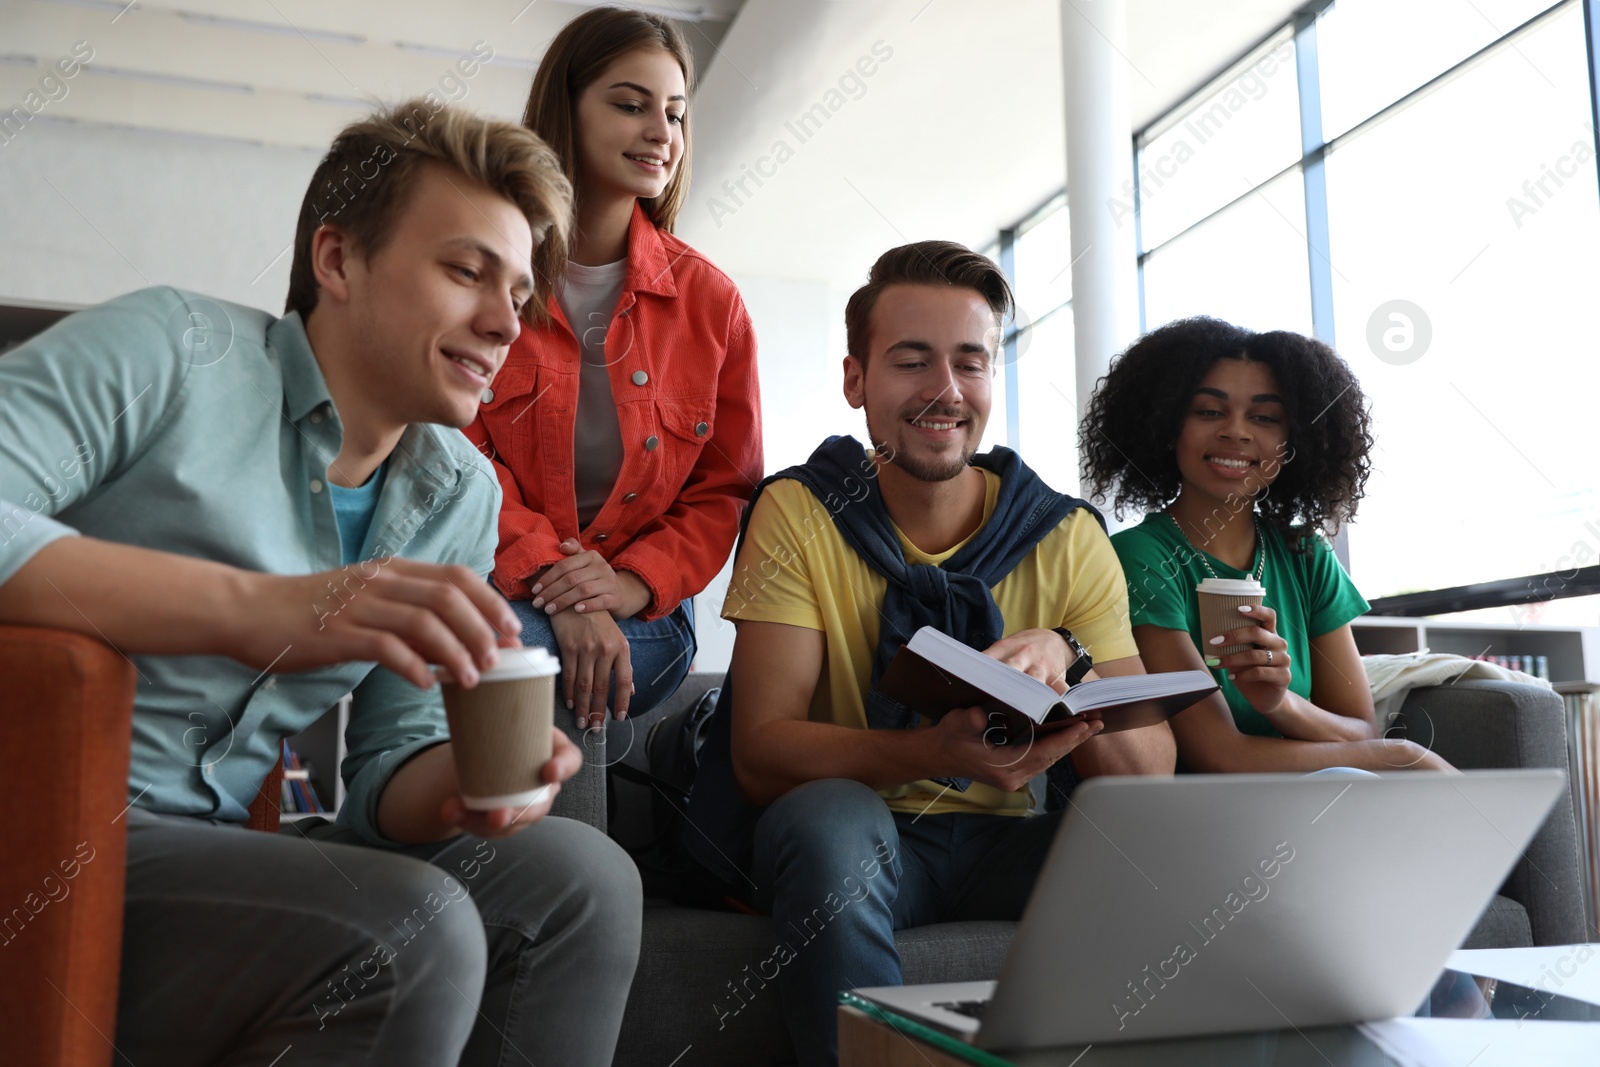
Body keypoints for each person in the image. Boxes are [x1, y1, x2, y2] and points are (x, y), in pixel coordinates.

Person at [0, 100, 642, 1066]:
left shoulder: (456, 489)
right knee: (411, 925)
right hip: (42, 838)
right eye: (467, 271)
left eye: (518, 292)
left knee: (581, 879)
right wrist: (260, 610)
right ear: (337, 261)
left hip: (210, 850)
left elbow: (388, 772)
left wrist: (471, 782)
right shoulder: (172, 349)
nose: (505, 321)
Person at [684, 241, 1176, 1066]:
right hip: (867, 837)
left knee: (1160, 838)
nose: (944, 391)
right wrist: (929, 751)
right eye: (911, 362)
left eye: (969, 363)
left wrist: (1070, 652)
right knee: (827, 814)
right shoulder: (800, 512)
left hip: (1012, 842)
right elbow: (762, 753)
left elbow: (1146, 774)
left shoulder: (1067, 535)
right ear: (856, 380)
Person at [466, 7, 762, 732]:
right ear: (564, 109)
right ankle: (549, 847)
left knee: (529, 663)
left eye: (676, 113)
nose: (661, 132)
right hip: (502, 583)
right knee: (514, 649)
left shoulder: (713, 303)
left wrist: (628, 583)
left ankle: (557, 848)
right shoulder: (482, 276)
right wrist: (554, 582)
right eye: (630, 105)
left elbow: (725, 489)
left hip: (648, 609)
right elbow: (456, 450)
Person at [1079, 316, 1452, 773]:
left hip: (1317, 797)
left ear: (1293, 440)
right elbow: (1218, 754)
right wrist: (1403, 757)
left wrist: (1280, 703)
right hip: (1210, 811)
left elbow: (1361, 729)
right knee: (1417, 771)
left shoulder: (1306, 555)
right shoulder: (1140, 559)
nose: (1236, 431)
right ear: (1168, 426)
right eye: (1209, 411)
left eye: (1265, 417)